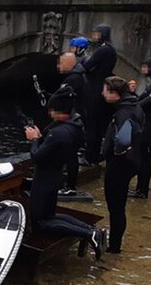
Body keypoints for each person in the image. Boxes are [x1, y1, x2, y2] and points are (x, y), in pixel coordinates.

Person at [25, 86, 106, 260]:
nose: (50, 114)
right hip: (56, 175)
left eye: (52, 111)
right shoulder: (76, 124)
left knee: (41, 222)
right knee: (51, 215)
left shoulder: (59, 133)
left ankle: (89, 234)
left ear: (61, 111)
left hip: (45, 179)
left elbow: (36, 157)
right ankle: (92, 230)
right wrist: (42, 137)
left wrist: (35, 140)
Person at [101, 76, 144, 254]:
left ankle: (114, 247)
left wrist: (116, 152)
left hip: (120, 164)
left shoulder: (123, 113)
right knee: (119, 205)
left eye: (105, 90)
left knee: (116, 206)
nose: (102, 93)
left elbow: (123, 139)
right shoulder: (135, 106)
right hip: (133, 161)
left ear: (115, 94)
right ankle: (115, 242)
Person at [82, 24, 117, 165]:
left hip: (95, 89)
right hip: (103, 88)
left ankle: (89, 156)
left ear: (102, 34)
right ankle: (97, 154)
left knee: (92, 125)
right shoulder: (112, 50)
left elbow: (87, 66)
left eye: (96, 33)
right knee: (99, 125)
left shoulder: (102, 50)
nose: (94, 35)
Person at [131, 57, 151, 199]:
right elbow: (138, 100)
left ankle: (142, 190)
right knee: (141, 156)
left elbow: (143, 103)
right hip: (144, 124)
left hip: (150, 126)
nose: (143, 70)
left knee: (145, 158)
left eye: (146, 67)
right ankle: (139, 187)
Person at [56, 52, 88, 195]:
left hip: (73, 120)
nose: (58, 66)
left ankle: (70, 187)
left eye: (61, 63)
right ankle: (66, 183)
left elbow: (62, 97)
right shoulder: (78, 76)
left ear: (69, 63)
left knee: (70, 153)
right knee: (69, 153)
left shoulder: (73, 79)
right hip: (76, 118)